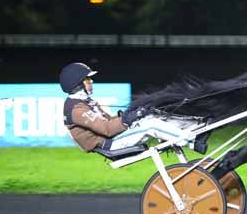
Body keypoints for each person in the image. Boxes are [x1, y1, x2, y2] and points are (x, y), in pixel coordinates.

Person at [60, 62, 205, 153]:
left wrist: (131, 114)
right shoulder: (75, 109)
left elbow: (109, 120)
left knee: (152, 116)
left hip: (115, 137)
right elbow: (107, 129)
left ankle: (195, 128)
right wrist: (131, 117)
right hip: (110, 144)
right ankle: (192, 142)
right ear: (77, 84)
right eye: (87, 79)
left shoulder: (85, 101)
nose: (91, 81)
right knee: (150, 125)